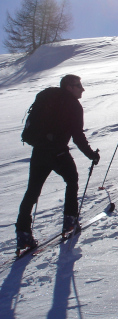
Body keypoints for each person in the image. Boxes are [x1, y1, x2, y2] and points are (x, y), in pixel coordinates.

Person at [16, 75, 101, 250]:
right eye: (78, 85)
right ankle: (70, 220)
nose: (82, 89)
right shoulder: (73, 105)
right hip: (58, 152)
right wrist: (91, 155)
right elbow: (77, 136)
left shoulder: (48, 98)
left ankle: (23, 233)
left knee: (32, 191)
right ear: (69, 87)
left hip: (39, 151)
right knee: (72, 179)